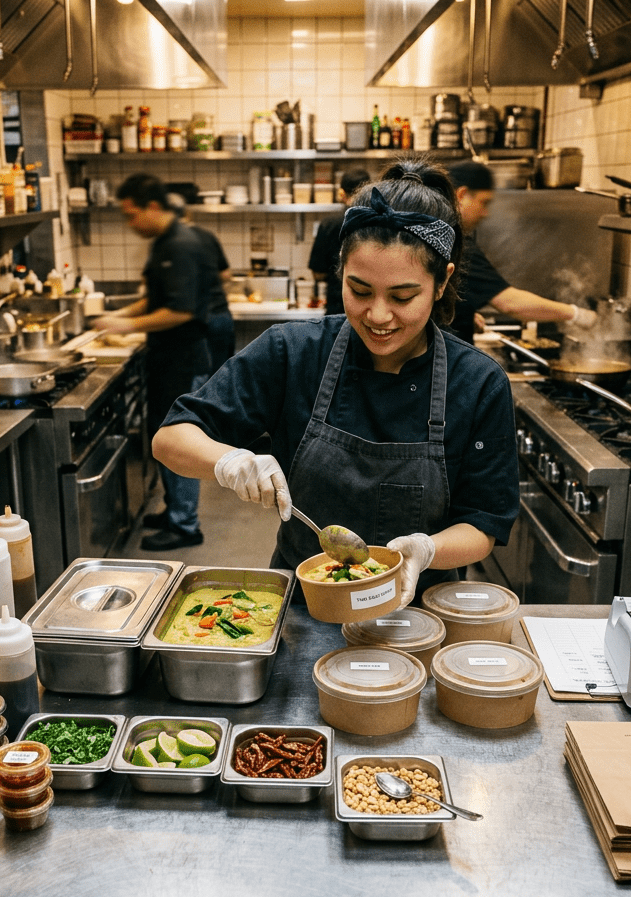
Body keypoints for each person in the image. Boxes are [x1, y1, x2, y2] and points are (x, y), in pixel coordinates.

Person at [151, 161, 520, 607]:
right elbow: (171, 438)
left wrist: (428, 550)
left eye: (403, 297)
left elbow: (483, 524)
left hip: (420, 613)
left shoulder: (477, 381)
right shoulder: (295, 352)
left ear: (441, 283)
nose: (379, 316)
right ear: (341, 272)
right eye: (359, 290)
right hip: (303, 608)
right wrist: (229, 461)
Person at [92, 173, 219, 551]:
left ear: (152, 206)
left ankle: (185, 525)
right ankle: (174, 509)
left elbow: (180, 311)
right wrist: (116, 316)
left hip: (183, 360)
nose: (130, 225)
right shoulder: (165, 242)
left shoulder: (181, 244)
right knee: (162, 436)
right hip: (167, 360)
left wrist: (127, 324)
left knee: (179, 440)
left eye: (131, 216)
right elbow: (156, 300)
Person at [447, 160, 599, 343]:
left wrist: (459, 314)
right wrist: (577, 314)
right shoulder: (455, 242)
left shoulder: (436, 231)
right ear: (462, 194)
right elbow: (510, 304)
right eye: (483, 202)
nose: (485, 213)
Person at [166, 191, 236, 375]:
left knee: (198, 385)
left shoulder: (169, 242)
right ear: (187, 213)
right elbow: (225, 274)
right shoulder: (207, 236)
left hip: (195, 323)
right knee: (223, 380)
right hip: (220, 316)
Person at [307, 168, 371, 316]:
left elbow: (318, 274)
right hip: (369, 311)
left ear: (341, 193)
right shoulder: (380, 222)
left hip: (338, 309)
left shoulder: (329, 224)